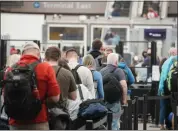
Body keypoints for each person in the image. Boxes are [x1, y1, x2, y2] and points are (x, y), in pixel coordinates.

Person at [5, 42, 60, 130]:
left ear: (22, 54)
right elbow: (55, 98)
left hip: (15, 122)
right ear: (38, 54)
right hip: (39, 121)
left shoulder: (10, 70)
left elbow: (6, 95)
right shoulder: (46, 68)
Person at [100, 53, 128, 130]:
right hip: (115, 102)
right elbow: (124, 85)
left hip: (104, 101)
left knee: (104, 122)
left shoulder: (101, 71)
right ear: (116, 62)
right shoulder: (119, 71)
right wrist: (124, 100)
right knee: (115, 122)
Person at [158, 47, 177, 130]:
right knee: (173, 107)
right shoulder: (175, 61)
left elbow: (162, 76)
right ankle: (172, 125)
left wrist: (161, 88)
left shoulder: (165, 62)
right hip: (172, 88)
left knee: (163, 107)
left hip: (163, 88)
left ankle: (162, 124)